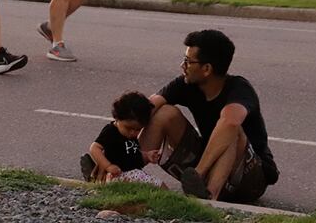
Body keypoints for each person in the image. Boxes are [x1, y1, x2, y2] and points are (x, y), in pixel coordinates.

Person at [139, 29, 279, 203]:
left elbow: (230, 122)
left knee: (231, 128)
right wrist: (117, 140)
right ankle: (125, 170)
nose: (182, 66)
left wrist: (198, 172)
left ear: (206, 69)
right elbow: (150, 105)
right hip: (212, 164)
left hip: (250, 176)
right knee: (163, 113)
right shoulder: (186, 83)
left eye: (188, 61)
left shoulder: (239, 88)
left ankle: (208, 199)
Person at [80, 91, 166, 187]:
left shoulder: (130, 136)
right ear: (117, 118)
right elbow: (94, 148)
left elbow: (131, 152)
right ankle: (96, 177)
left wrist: (147, 156)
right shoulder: (111, 131)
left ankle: (96, 178)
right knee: (159, 185)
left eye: (138, 129)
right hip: (120, 174)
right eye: (128, 128)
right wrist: (108, 166)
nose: (133, 133)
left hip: (134, 171)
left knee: (157, 185)